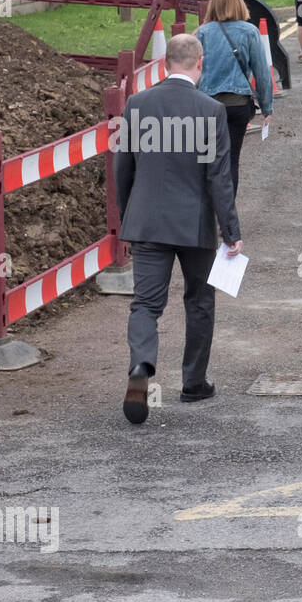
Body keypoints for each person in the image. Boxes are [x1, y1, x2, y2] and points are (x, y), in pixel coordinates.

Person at [116, 33, 243, 425]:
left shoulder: (137, 104)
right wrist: (231, 230)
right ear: (200, 63)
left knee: (146, 304)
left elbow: (124, 168)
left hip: (148, 220)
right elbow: (218, 177)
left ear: (165, 62)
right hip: (195, 223)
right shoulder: (209, 110)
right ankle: (193, 383)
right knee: (199, 300)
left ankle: (141, 367)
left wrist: (129, 216)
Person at [194, 0, 273, 195]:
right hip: (237, 105)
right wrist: (267, 108)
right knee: (230, 162)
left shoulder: (202, 33)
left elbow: (192, 72)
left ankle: (206, 216)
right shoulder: (250, 32)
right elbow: (262, 74)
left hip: (206, 107)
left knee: (207, 160)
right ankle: (227, 219)